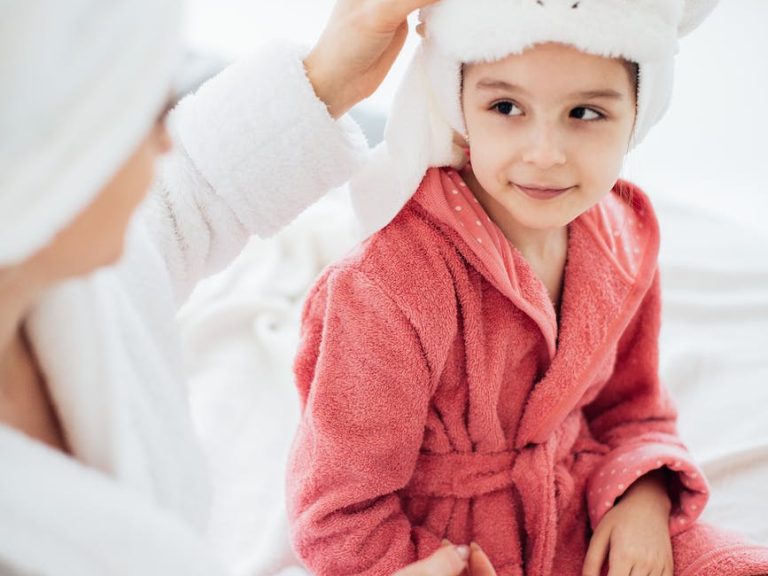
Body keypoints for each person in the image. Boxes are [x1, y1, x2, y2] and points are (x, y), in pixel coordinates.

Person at [0, 0, 493, 574]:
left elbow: (174, 205)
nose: (165, 145)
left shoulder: (51, 267)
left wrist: (325, 77)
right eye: (152, 110)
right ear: (48, 160)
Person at [286, 0, 768, 575]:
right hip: (444, 551)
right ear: (459, 102)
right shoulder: (386, 288)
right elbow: (337, 514)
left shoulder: (622, 238)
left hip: (584, 512)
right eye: (506, 106)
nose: (545, 154)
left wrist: (642, 496)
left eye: (586, 113)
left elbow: (633, 411)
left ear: (639, 114)